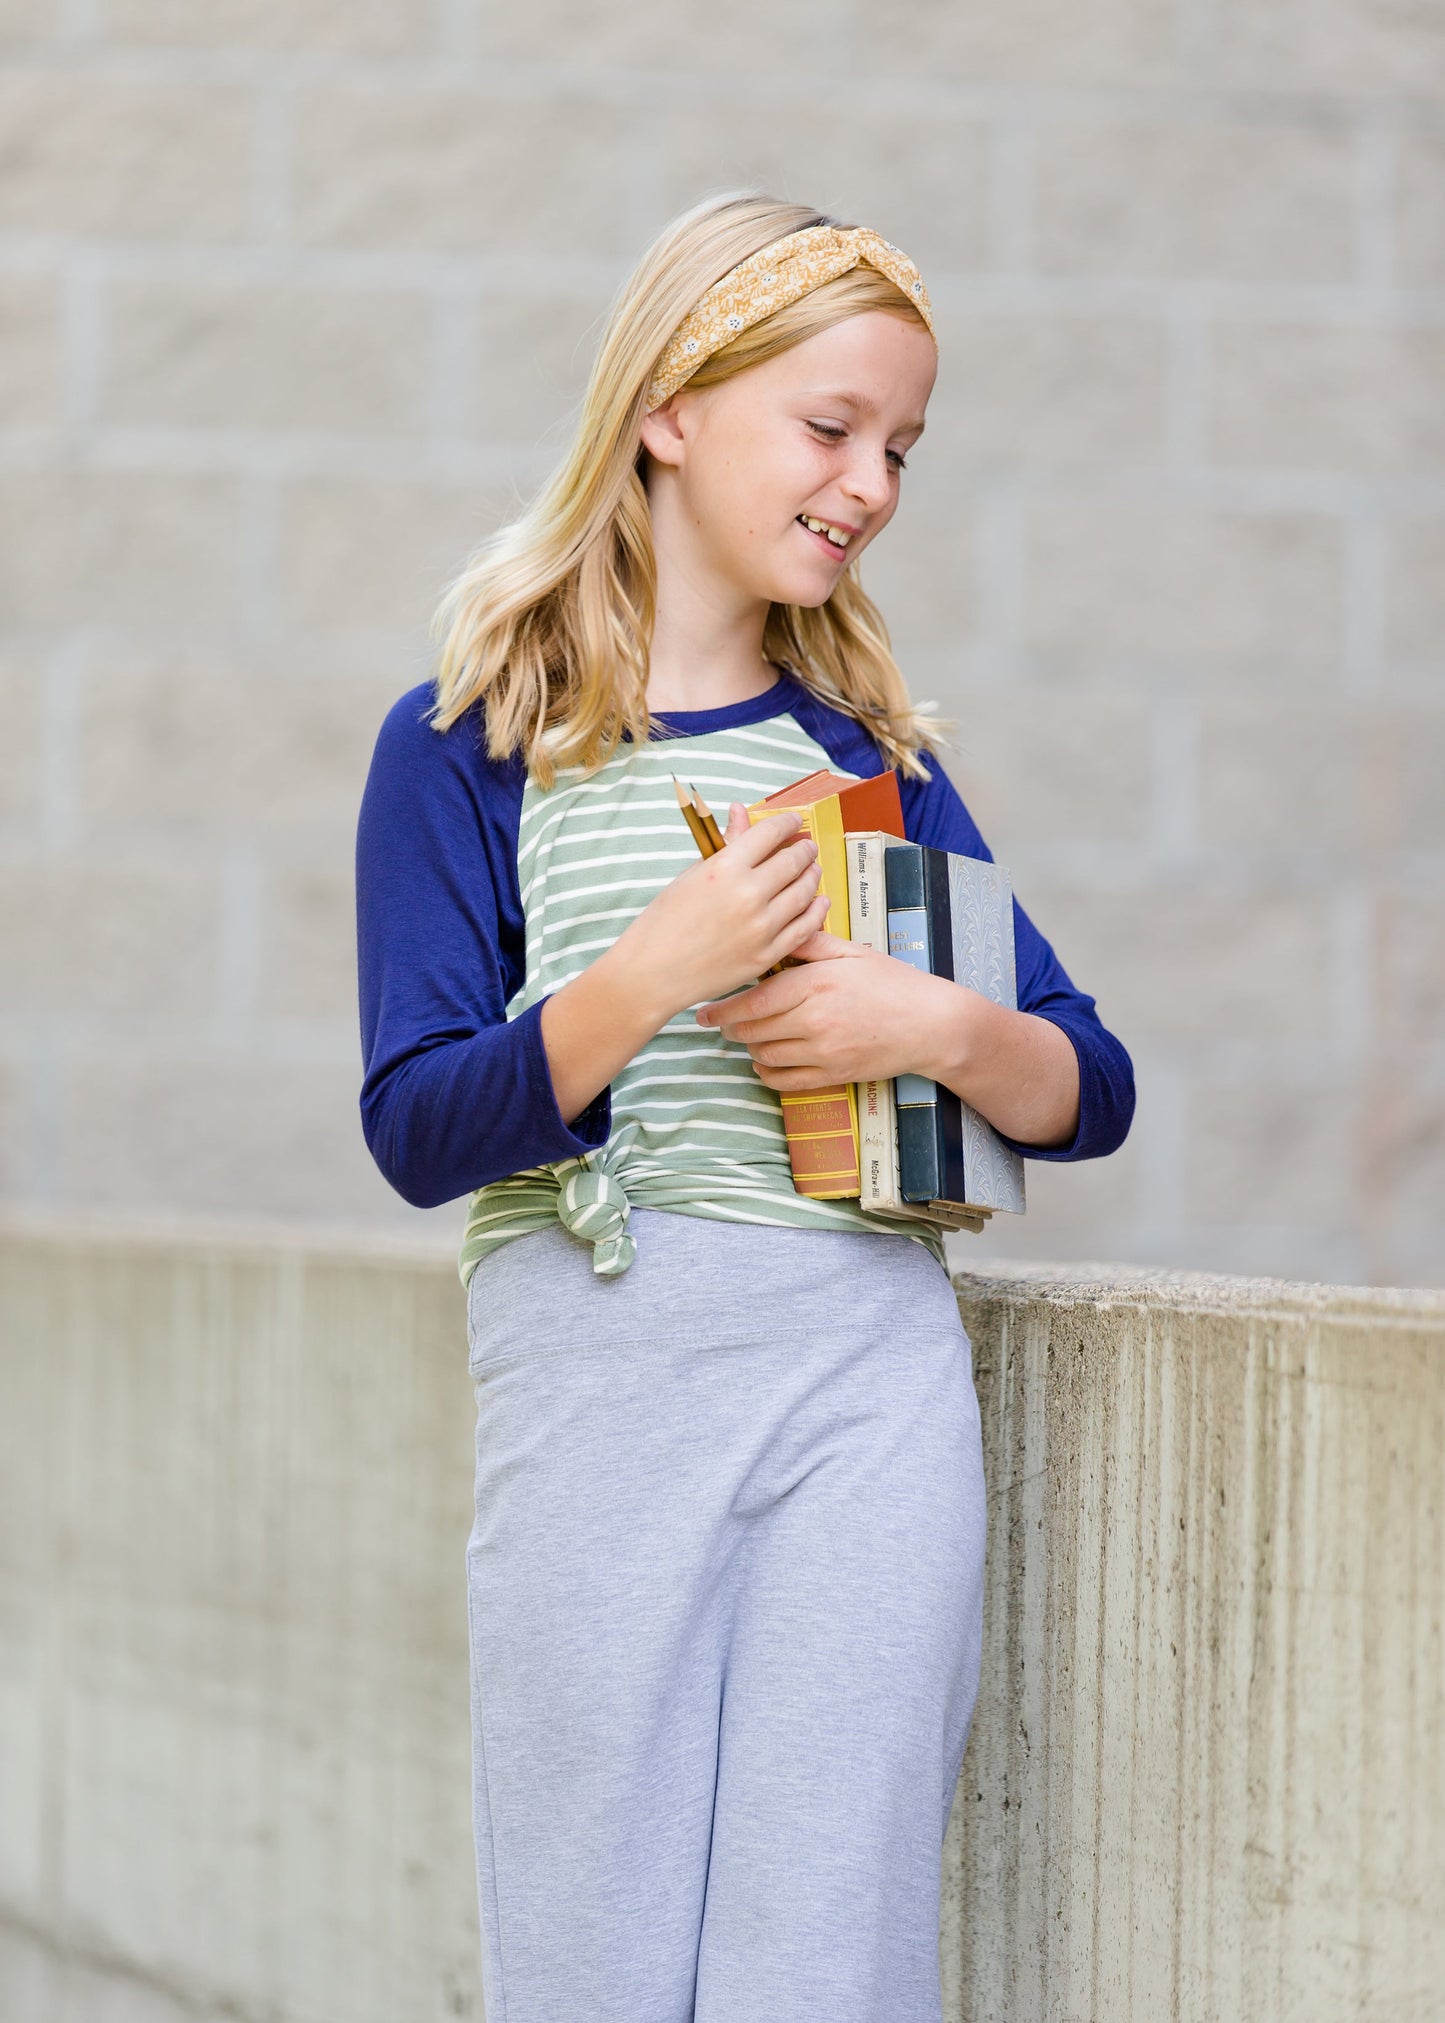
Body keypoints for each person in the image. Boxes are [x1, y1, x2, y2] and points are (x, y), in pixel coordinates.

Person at [354, 192, 1134, 2023]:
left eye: (900, 448)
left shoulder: (875, 761)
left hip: (862, 1377)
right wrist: (655, 969)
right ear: (668, 409)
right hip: (599, 1381)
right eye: (830, 426)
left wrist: (932, 1019)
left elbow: (1086, 1086)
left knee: (831, 1947)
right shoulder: (469, 738)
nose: (867, 483)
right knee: (592, 1939)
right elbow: (416, 1127)